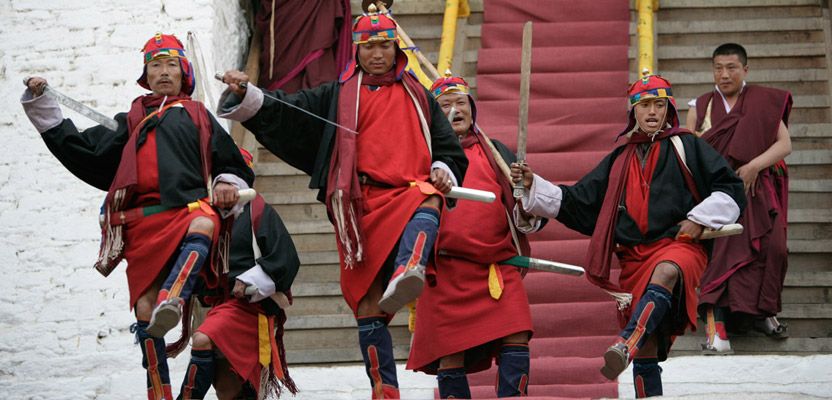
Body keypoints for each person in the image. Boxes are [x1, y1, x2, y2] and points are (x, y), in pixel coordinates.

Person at [216, 7, 467, 398]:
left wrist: (442, 168)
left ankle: (409, 267)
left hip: (407, 193)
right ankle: (385, 391)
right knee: (367, 306)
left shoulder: (420, 95)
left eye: (384, 44)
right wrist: (247, 94)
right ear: (356, 50)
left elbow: (449, 149)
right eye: (368, 46)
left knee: (429, 197)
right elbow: (290, 113)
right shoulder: (336, 96)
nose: (377, 54)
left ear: (396, 48)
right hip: (358, 207)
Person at [21, 33, 253, 400]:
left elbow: (230, 162)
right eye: (155, 65)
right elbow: (86, 150)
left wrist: (225, 183)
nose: (163, 72)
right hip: (141, 220)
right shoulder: (131, 119)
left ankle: (174, 297)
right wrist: (42, 102)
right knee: (144, 307)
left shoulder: (197, 115)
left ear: (184, 73)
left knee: (206, 221)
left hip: (186, 211)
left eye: (171, 64)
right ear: (146, 74)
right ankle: (157, 391)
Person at [512, 74, 746, 398]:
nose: (653, 112)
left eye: (659, 105)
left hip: (680, 246)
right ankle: (638, 352)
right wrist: (532, 183)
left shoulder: (687, 145)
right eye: (645, 105)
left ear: (669, 109)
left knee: (666, 271)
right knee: (648, 352)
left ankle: (626, 342)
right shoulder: (620, 158)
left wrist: (698, 218)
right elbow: (578, 202)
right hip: (634, 258)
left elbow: (731, 188)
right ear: (633, 112)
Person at [405, 73, 544, 398]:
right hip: (446, 271)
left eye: (461, 102)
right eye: (445, 105)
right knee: (451, 352)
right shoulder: (422, 156)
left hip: (497, 265)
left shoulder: (496, 151)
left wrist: (526, 193)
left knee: (517, 334)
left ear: (472, 108)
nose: (455, 110)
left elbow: (524, 212)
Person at [686, 43, 793, 354]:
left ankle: (764, 311)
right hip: (717, 193)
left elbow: (784, 145)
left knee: (773, 249)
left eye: (731, 67)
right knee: (722, 251)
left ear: (745, 69)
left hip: (757, 190)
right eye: (718, 68)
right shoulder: (701, 105)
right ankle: (717, 325)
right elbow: (689, 150)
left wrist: (753, 166)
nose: (724, 74)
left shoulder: (763, 102)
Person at [176, 148, 299, 400]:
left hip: (250, 308)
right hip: (219, 306)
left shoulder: (259, 211)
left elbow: (286, 259)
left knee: (202, 338)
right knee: (226, 387)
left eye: (231, 181)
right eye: (222, 180)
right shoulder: (207, 217)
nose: (225, 189)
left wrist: (249, 280)